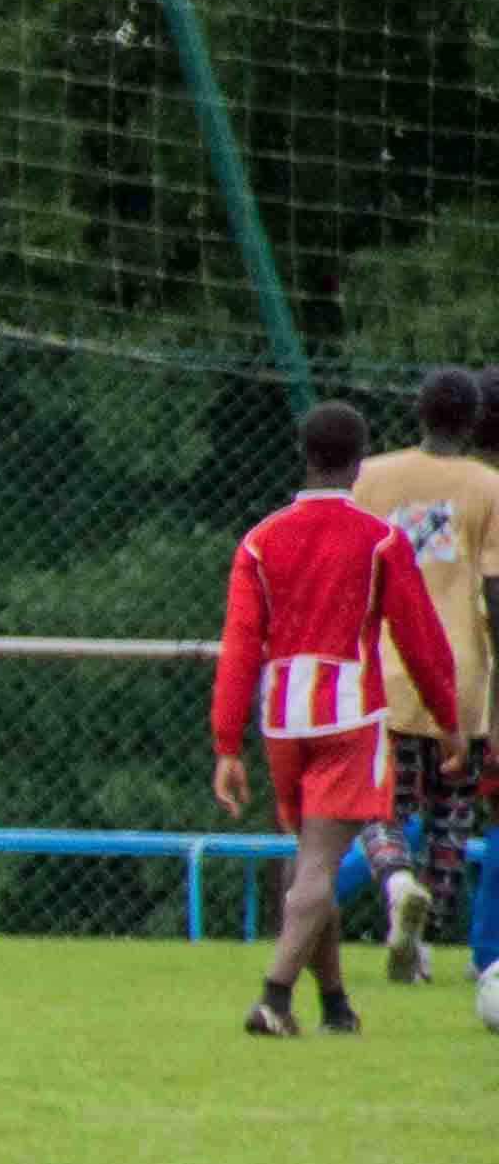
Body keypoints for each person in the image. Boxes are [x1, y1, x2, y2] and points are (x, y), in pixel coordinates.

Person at [214, 402, 461, 1042]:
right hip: (349, 712)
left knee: (310, 859)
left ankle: (334, 1004)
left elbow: (241, 645)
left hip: (281, 718)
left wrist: (226, 744)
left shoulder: (261, 540)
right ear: (359, 464)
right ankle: (273, 996)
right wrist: (448, 720)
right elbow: (421, 641)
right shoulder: (379, 540)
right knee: (321, 863)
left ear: (306, 454)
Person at [345, 368, 497, 991]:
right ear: (474, 419)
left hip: (384, 667)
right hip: (460, 674)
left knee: (382, 805)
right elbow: (494, 589)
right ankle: (424, 940)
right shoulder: (489, 487)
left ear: (418, 411)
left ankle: (395, 885)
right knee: (450, 817)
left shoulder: (372, 477)